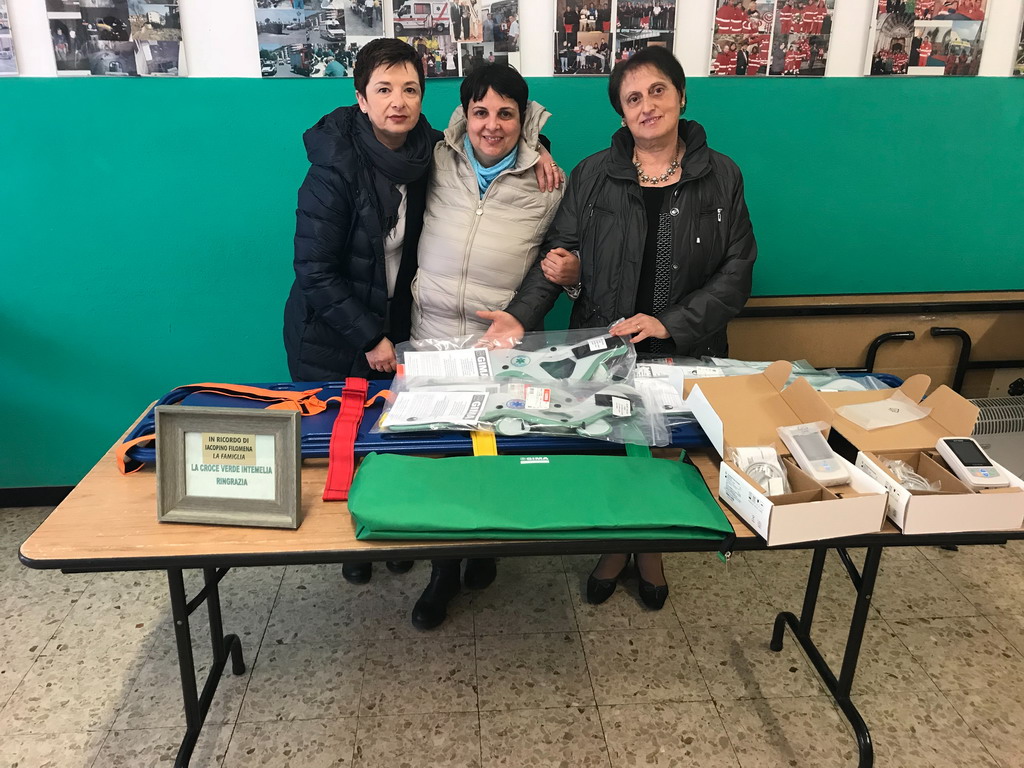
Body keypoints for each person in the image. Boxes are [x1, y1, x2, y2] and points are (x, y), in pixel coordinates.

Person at [477, 47, 756, 610]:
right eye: (633, 99)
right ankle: (614, 547)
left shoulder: (722, 174)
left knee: (665, 454)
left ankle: (649, 552)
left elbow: (737, 272)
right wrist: (520, 315)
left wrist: (669, 323)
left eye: (657, 91)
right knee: (611, 449)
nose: (647, 106)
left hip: (684, 349)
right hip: (604, 347)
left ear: (681, 97)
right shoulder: (593, 175)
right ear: (622, 113)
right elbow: (558, 256)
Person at [408, 63, 566, 629]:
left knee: (489, 452)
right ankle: (441, 571)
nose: (491, 125)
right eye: (481, 112)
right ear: (464, 115)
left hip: (497, 346)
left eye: (506, 114)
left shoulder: (550, 184)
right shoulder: (433, 159)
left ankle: (484, 547)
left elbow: (557, 263)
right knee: (440, 458)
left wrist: (526, 313)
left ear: (524, 122)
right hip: (429, 338)